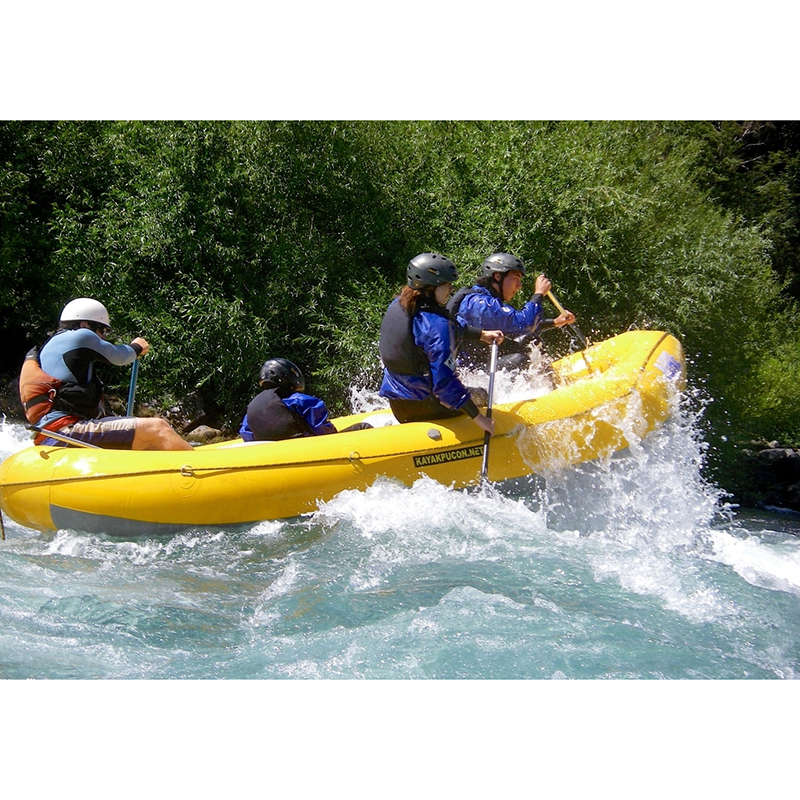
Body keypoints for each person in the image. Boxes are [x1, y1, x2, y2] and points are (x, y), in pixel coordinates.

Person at [20, 298, 193, 450]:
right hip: (65, 429)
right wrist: (137, 347)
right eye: (102, 329)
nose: (102, 337)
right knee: (158, 427)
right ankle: (197, 471)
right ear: (85, 325)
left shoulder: (54, 345)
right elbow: (119, 356)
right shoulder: (81, 336)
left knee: (141, 433)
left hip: (53, 430)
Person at [378, 252, 503, 435]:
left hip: (399, 407)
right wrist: (480, 418)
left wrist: (481, 334)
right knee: (481, 394)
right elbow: (444, 384)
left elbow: (437, 331)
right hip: (429, 407)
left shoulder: (400, 305)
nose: (451, 289)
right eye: (447, 285)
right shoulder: (438, 326)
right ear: (431, 287)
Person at [447, 252, 576, 370]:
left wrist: (554, 322)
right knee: (518, 360)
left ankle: (548, 379)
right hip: (469, 372)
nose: (519, 286)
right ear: (498, 276)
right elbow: (525, 323)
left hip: (481, 362)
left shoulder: (485, 300)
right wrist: (539, 294)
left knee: (530, 340)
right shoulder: (481, 304)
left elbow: (517, 327)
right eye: (516, 279)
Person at [239, 358, 371, 441]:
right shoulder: (300, 400)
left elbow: (246, 434)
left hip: (274, 456)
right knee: (364, 427)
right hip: (309, 449)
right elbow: (323, 431)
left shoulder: (252, 408)